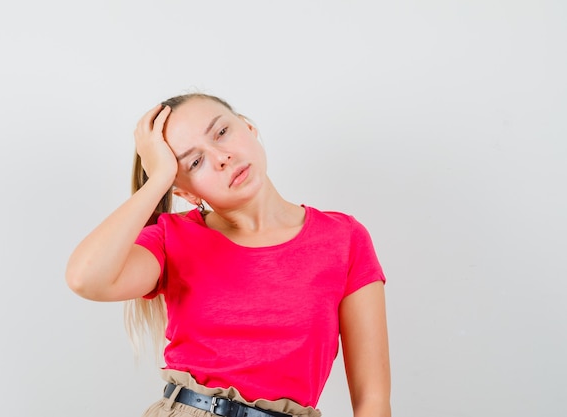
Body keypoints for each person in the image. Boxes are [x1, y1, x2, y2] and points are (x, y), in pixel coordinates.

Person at [66, 93, 390, 417]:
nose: (221, 157)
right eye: (195, 162)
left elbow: (372, 401)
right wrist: (159, 180)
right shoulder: (171, 238)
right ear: (186, 193)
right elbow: (86, 278)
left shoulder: (344, 239)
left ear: (249, 127)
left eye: (221, 132)